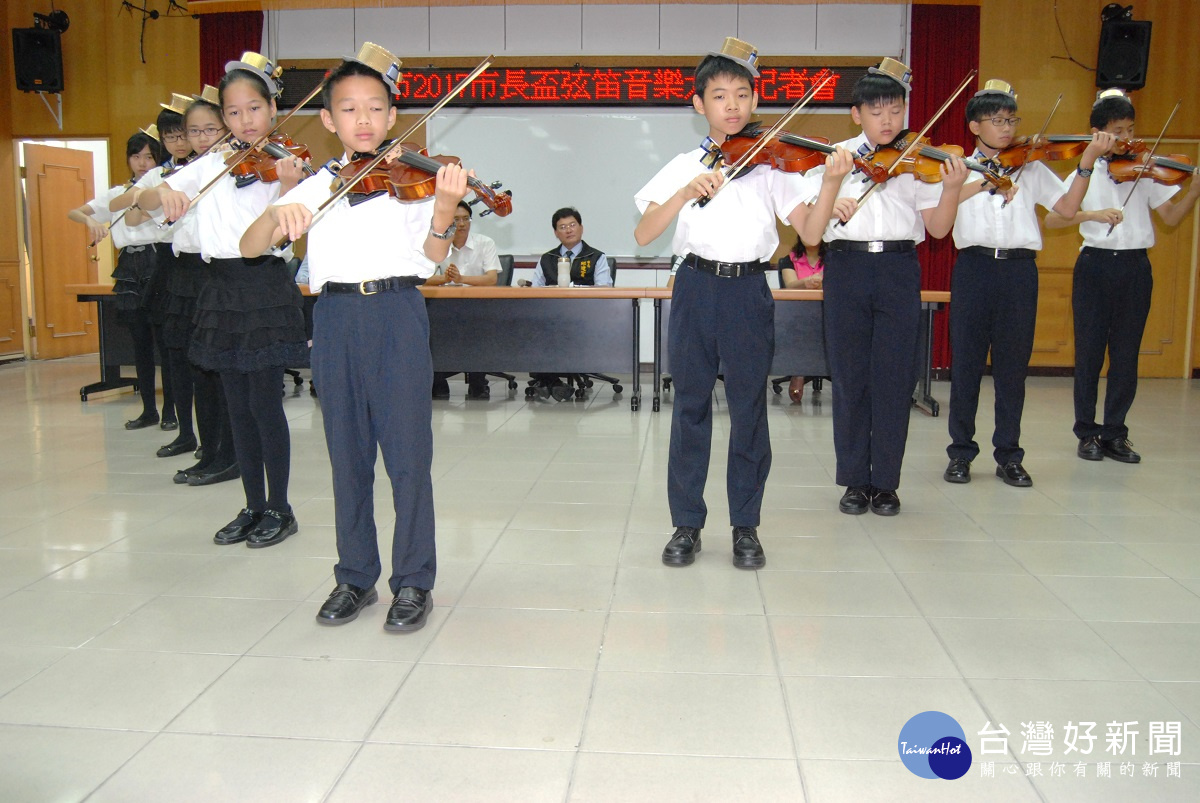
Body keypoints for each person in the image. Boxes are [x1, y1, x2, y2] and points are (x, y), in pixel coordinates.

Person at [240, 43, 468, 632]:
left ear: (393, 116)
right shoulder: (317, 184)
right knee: (347, 458)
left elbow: (430, 262)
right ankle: (355, 576)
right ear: (328, 120)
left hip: (396, 311)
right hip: (335, 318)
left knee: (408, 459)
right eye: (348, 109)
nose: (362, 120)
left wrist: (443, 211)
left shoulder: (412, 180)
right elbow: (249, 246)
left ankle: (414, 581)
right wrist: (276, 217)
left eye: (374, 108)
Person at [634, 37, 811, 570]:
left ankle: (746, 526)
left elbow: (812, 230)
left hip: (749, 290)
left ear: (755, 101)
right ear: (698, 104)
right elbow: (644, 233)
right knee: (690, 408)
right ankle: (686, 523)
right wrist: (686, 192)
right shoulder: (684, 165)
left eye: (741, 94)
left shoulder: (774, 166)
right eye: (719, 95)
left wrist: (826, 184)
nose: (731, 105)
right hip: (694, 287)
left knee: (750, 408)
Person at [138, 52, 309, 547]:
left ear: (272, 109)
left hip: (262, 286)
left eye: (253, 109)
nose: (244, 121)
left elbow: (287, 235)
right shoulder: (212, 163)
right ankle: (253, 504)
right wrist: (162, 196)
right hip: (218, 289)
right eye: (232, 113)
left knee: (264, 404)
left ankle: (280, 507)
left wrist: (290, 187)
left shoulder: (284, 163)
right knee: (237, 405)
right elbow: (149, 198)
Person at [800, 57, 968, 517]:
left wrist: (951, 189)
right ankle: (855, 480)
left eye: (896, 109)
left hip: (898, 267)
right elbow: (812, 227)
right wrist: (834, 192)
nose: (888, 120)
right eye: (877, 112)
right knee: (851, 378)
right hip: (847, 268)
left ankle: (887, 483)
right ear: (857, 114)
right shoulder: (831, 159)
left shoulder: (916, 161)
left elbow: (937, 230)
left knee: (894, 380)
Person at [944, 80, 1114, 488]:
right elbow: (939, 218)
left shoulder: (1031, 165)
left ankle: (1009, 455)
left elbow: (1068, 208)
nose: (1006, 128)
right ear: (974, 126)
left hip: (1020, 271)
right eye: (997, 121)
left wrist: (1086, 162)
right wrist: (985, 180)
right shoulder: (956, 169)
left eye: (1011, 120)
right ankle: (961, 453)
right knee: (966, 364)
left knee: (1012, 368)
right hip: (973, 266)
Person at [1045, 88, 1200, 465]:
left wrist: (1194, 189)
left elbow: (1171, 218)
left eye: (1130, 129)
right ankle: (1087, 432)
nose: (1127, 139)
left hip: (1135, 268)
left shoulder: (1143, 170)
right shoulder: (1085, 172)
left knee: (1126, 354)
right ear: (1098, 132)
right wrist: (1091, 216)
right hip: (1095, 266)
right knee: (1089, 353)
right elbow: (1053, 218)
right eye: (1118, 130)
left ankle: (1116, 432)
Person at [68, 130, 171, 431]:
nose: (142, 163)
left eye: (149, 157)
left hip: (157, 260)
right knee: (140, 342)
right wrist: (90, 221)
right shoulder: (117, 194)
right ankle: (149, 409)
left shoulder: (163, 190)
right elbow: (75, 211)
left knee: (166, 343)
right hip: (129, 264)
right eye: (136, 156)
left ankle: (171, 412)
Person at [114, 95, 197, 457]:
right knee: (172, 350)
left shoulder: (205, 168)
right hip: (166, 262)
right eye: (170, 138)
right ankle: (182, 429)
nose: (178, 144)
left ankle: (212, 438)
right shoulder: (159, 175)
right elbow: (131, 217)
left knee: (200, 355)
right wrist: (149, 195)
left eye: (183, 135)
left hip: (198, 263)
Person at [427, 200, 500, 400]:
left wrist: (461, 280)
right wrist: (445, 278)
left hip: (479, 307)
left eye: (465, 219)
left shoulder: (485, 243)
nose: (461, 224)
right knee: (432, 329)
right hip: (445, 306)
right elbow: (424, 278)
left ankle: (478, 381)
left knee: (478, 330)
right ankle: (438, 380)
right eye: (456, 219)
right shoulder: (438, 246)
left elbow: (492, 278)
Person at [778, 236, 825, 403]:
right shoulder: (789, 259)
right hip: (797, 314)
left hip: (826, 312)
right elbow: (790, 285)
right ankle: (799, 372)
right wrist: (807, 282)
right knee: (801, 326)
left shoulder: (833, 260)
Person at [532, 207, 612, 287]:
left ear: (581, 228)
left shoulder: (596, 257)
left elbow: (603, 289)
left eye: (572, 225)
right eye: (563, 227)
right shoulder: (546, 259)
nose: (568, 230)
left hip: (585, 299)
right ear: (556, 233)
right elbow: (534, 289)